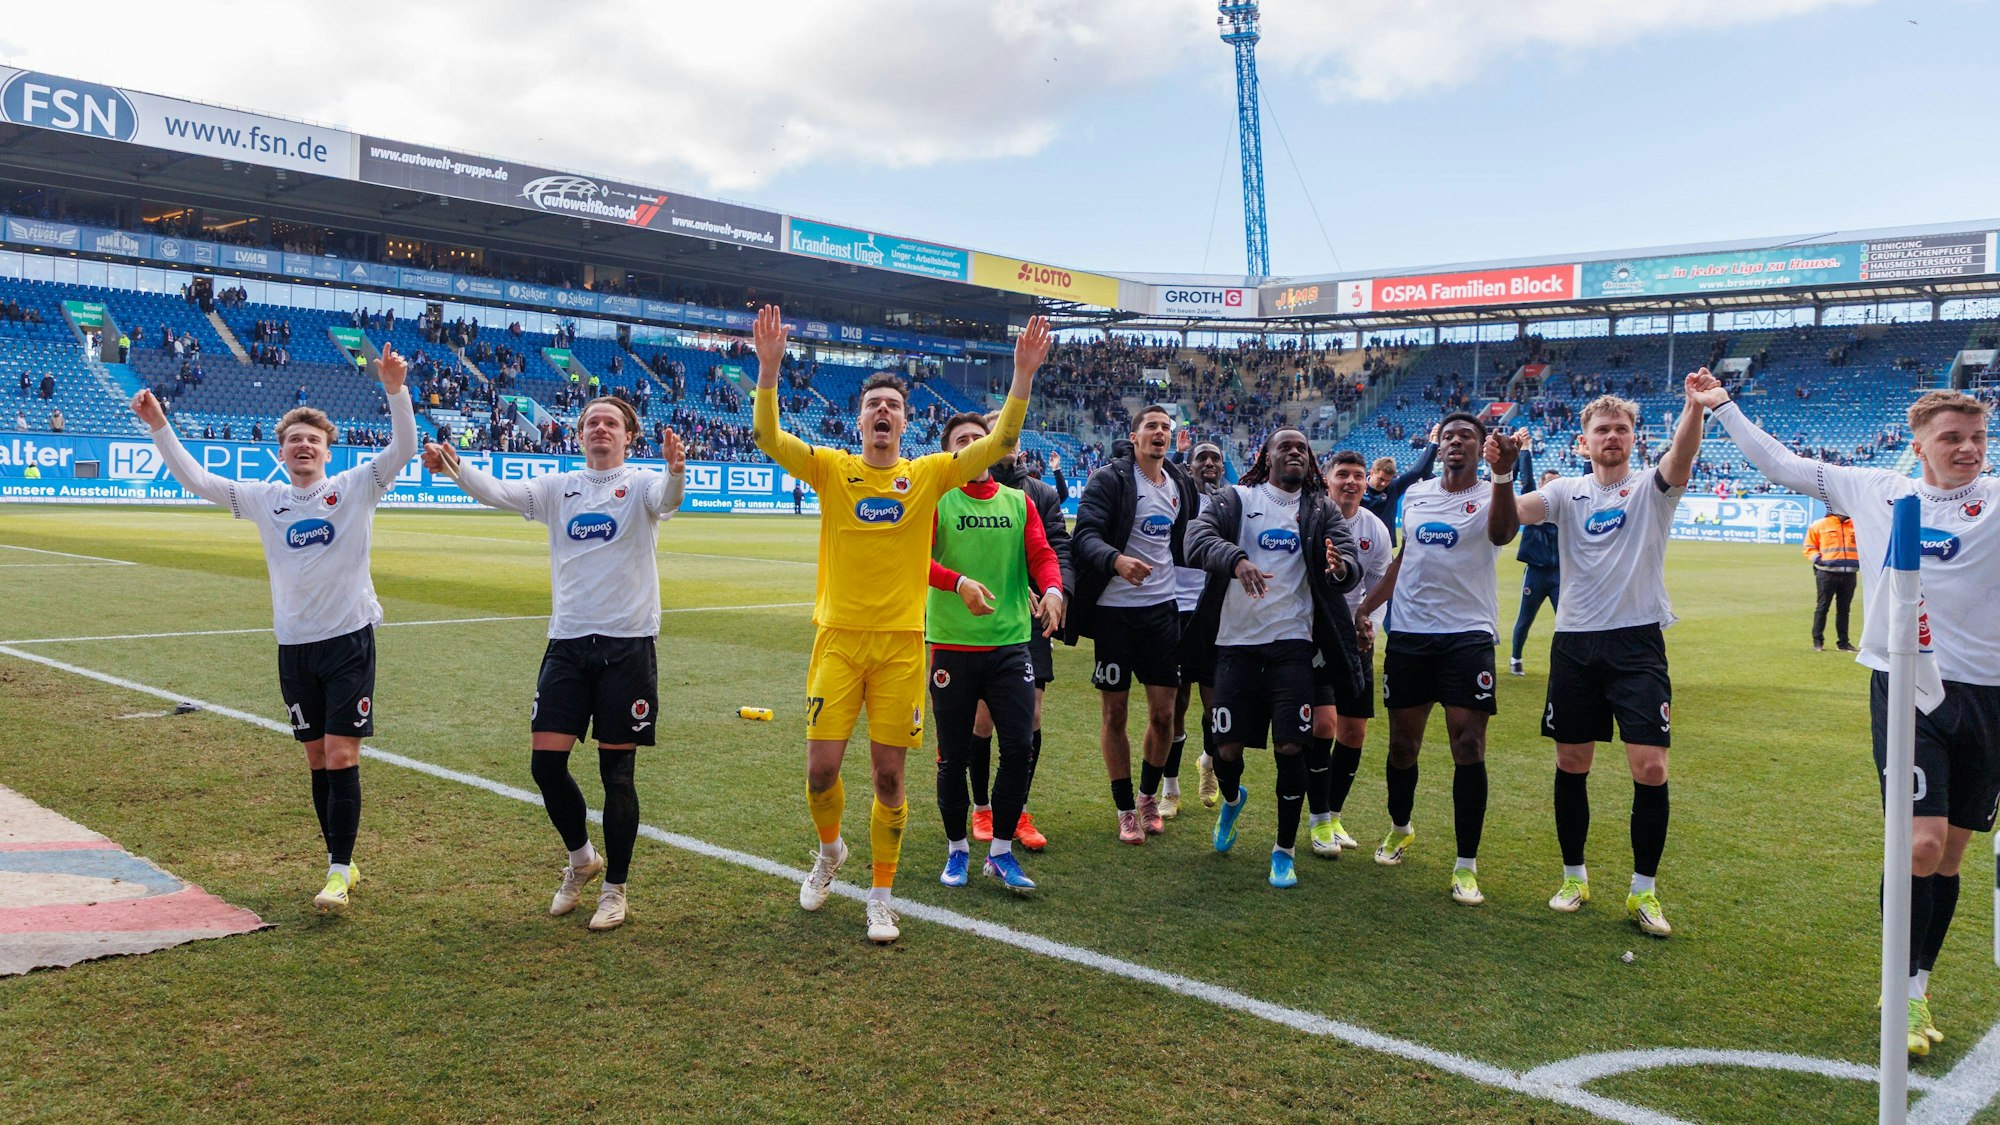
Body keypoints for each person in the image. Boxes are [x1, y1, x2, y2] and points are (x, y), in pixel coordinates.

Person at [1697, 378, 1998, 1055]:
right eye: (1952, 437)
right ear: (1917, 444)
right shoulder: (1876, 490)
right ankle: (1901, 993)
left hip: (1988, 695)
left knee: (1950, 853)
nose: (1968, 449)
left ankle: (1920, 984)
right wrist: (1722, 405)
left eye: (1977, 437)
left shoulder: (1998, 499)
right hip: (1908, 682)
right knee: (1919, 843)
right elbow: (1779, 464)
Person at [752, 305, 1049, 944]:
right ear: (859, 419)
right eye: (874, 404)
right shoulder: (832, 469)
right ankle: (830, 852)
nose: (883, 412)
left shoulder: (927, 477)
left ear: (906, 422)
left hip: (901, 649)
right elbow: (771, 442)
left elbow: (997, 445)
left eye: (893, 404)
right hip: (836, 639)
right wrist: (769, 370)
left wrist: (1021, 377)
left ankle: (880, 898)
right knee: (820, 772)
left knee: (890, 776)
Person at [127, 346, 417, 913]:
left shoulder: (358, 486)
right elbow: (198, 480)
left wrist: (395, 389)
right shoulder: (266, 500)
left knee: (340, 756)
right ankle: (343, 855)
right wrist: (161, 428)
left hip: (348, 641)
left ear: (328, 451)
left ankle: (336, 873)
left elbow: (404, 447)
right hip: (294, 648)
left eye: (313, 440)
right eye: (294, 441)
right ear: (281, 453)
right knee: (314, 759)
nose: (303, 446)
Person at [422, 397, 685, 932]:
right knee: (545, 766)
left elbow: (667, 499)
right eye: (591, 423)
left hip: (627, 646)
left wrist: (676, 470)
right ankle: (583, 859)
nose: (600, 430)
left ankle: (616, 890)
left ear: (627, 436)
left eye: (610, 423)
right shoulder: (556, 487)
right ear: (579, 434)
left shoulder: (639, 484)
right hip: (567, 643)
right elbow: (495, 492)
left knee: (618, 776)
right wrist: (453, 466)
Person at [1490, 382, 1709, 937]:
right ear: (1583, 442)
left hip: (1637, 643)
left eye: (1621, 430)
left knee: (1651, 767)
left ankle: (1644, 891)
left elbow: (1681, 455)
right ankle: (1574, 876)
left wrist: (1692, 408)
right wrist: (1500, 471)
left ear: (1635, 439)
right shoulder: (1566, 492)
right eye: (1602, 431)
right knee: (1572, 763)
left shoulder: (1652, 488)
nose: (1612, 437)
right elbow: (1512, 514)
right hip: (1576, 643)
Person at [1356, 415, 1523, 906]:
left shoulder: (1493, 490)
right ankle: (1400, 827)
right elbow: (1405, 558)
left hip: (1467, 636)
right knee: (1403, 747)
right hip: (1409, 634)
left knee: (1468, 745)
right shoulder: (1419, 494)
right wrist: (1367, 605)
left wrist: (1504, 476)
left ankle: (1466, 865)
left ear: (1480, 447)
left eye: (1466, 436)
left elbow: (1500, 535)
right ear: (1439, 444)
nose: (1456, 442)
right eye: (1449, 435)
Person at [1186, 428, 1363, 888]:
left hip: (1292, 646)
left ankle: (1282, 852)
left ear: (1310, 460)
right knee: (1226, 749)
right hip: (1235, 644)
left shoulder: (1320, 509)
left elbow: (1348, 563)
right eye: (1285, 447)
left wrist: (1341, 567)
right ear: (1266, 456)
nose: (1295, 454)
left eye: (1302, 449)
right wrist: (1236, 560)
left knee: (1292, 747)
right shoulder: (1237, 498)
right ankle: (1231, 799)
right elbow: (1194, 539)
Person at [923, 411, 1065, 893]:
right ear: (951, 453)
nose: (972, 445)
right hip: (952, 646)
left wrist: (1053, 590)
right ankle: (958, 849)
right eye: (961, 440)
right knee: (953, 757)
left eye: (979, 438)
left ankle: (1000, 852)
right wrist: (957, 582)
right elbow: (914, 561)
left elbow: (1043, 555)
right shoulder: (937, 500)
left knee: (1020, 747)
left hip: (1009, 646)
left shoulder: (1018, 502)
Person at [1068, 405, 1200, 844]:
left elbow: (1186, 539)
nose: (1159, 433)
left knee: (1165, 715)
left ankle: (1148, 797)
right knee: (1116, 712)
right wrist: (1117, 561)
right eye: (1152, 427)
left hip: (1163, 611)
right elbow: (1084, 535)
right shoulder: (1111, 479)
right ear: (1135, 435)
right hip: (1114, 613)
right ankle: (1125, 809)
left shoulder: (1180, 483)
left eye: (1166, 427)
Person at [961, 443, 1073, 852]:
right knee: (982, 719)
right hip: (981, 615)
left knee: (1032, 716)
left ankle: (1017, 808)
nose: (1004, 442)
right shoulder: (957, 490)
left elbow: (1057, 548)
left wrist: (1055, 592)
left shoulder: (1040, 494)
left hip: (1029, 619)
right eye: (995, 435)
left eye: (1010, 435)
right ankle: (982, 807)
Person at [1312, 451, 1397, 856]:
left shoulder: (1376, 530)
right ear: (1327, 480)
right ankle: (1317, 820)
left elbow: (1379, 588)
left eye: (1358, 476)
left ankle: (1333, 814)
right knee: (1323, 725)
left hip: (1355, 639)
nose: (1350, 482)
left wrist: (1370, 627)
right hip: (1315, 635)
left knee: (1353, 731)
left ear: (1367, 483)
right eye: (1342, 474)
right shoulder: (1310, 517)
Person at [1176, 442, 1229, 813]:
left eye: (1215, 459)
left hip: (1214, 611)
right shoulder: (1175, 496)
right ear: (1189, 467)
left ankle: (1207, 762)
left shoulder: (1229, 503)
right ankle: (1169, 788)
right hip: (1174, 609)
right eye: (1201, 458)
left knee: (1216, 705)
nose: (1208, 463)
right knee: (1173, 704)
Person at [1510, 466, 1560, 675]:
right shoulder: (1534, 505)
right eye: (1550, 482)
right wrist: (1525, 451)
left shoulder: (1564, 507)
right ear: (1541, 485)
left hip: (1559, 574)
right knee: (1525, 619)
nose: (1554, 486)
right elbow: (1526, 482)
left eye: (1557, 482)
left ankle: (1565, 664)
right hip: (1536, 574)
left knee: (1567, 621)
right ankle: (1515, 659)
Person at [1361, 425, 1437, 542]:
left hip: (1384, 546)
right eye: (1381, 479)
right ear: (1372, 472)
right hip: (1359, 543)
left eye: (1388, 480)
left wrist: (1433, 443)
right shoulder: (1357, 487)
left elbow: (1417, 471)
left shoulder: (1393, 487)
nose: (1384, 484)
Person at [1803, 509, 1859, 652]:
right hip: (1827, 573)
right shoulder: (1819, 525)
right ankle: (1818, 642)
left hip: (1849, 574)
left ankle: (1843, 643)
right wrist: (1819, 560)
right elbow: (1809, 547)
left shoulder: (1857, 525)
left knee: (1844, 610)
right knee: (1822, 607)